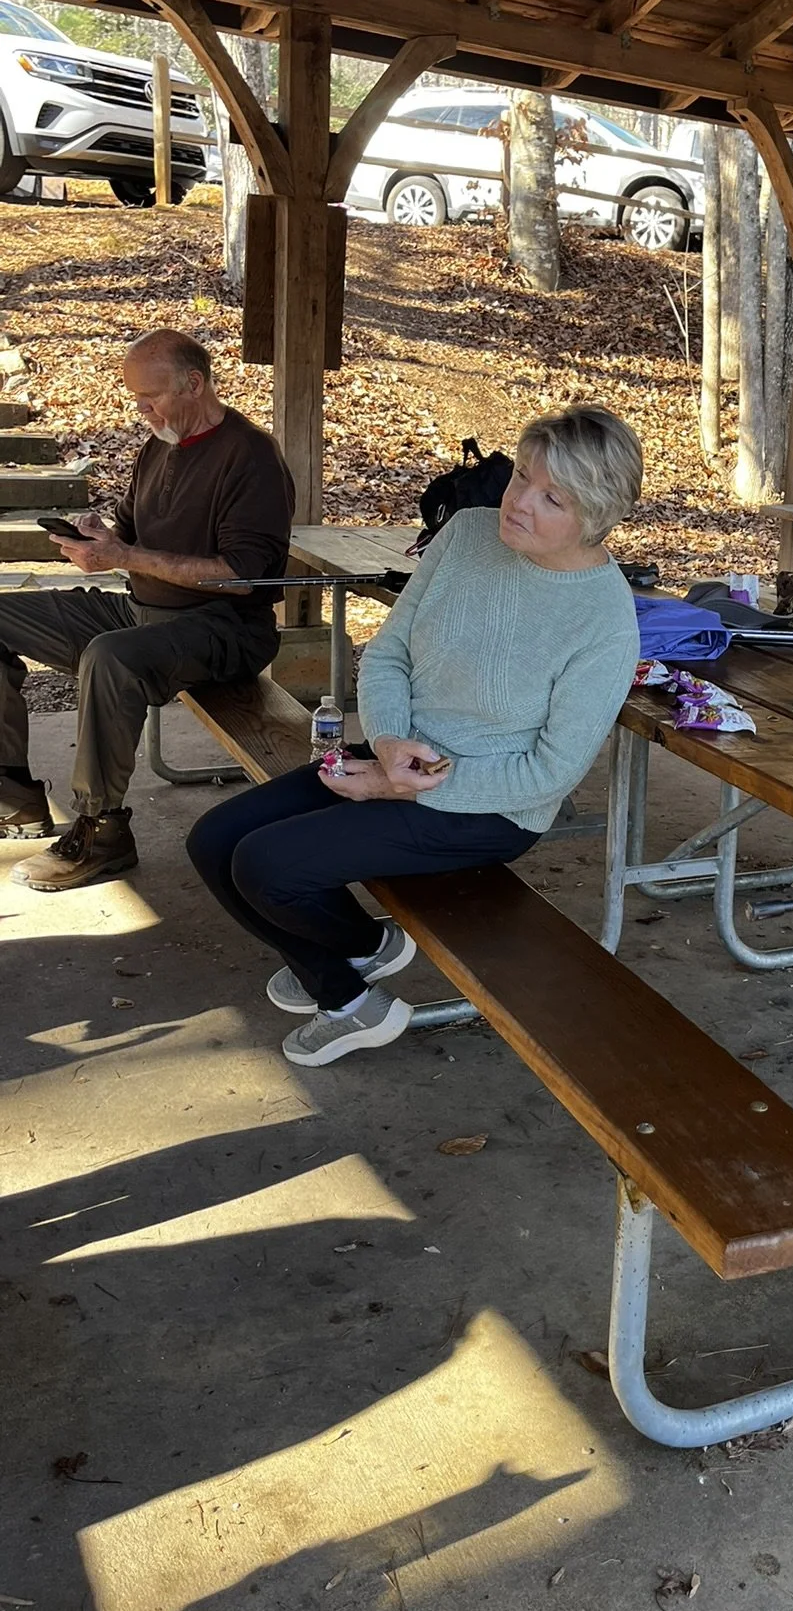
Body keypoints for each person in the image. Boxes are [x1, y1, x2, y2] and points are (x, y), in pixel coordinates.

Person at [185, 404, 643, 1069]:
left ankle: (345, 994)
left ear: (597, 516)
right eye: (521, 477)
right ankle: (354, 953)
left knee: (267, 867)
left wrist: (402, 785)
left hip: (489, 805)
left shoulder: (603, 621)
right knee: (214, 840)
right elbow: (391, 652)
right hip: (398, 753)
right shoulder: (466, 534)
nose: (519, 502)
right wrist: (391, 744)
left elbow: (549, 773)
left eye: (552, 498)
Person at [0, 329, 295, 891]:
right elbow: (131, 537)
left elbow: (243, 576)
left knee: (111, 657)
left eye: (150, 396)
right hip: (142, 609)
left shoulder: (250, 456)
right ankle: (14, 796)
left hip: (223, 628)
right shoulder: (158, 443)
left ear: (194, 383)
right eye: (134, 397)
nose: (141, 410)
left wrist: (127, 554)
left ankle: (102, 829)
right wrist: (98, 539)